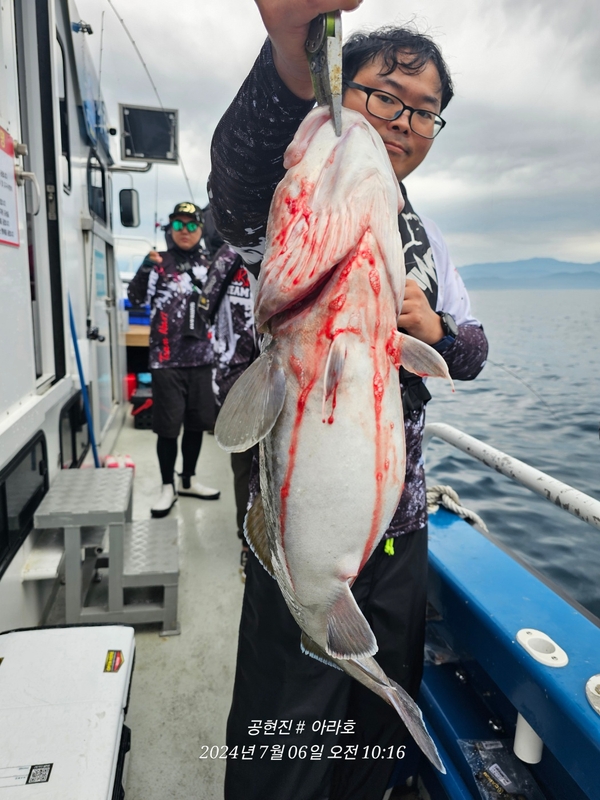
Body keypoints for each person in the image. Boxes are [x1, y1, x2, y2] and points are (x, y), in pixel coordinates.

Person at [208, 4, 489, 798]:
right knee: (284, 743)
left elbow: (469, 348)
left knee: (372, 752)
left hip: (398, 536)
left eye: (424, 109)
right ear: (341, 91)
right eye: (382, 94)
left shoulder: (427, 240)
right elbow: (237, 179)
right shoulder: (297, 197)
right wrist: (289, 57)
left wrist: (437, 330)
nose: (401, 120)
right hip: (298, 542)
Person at [128, 202, 220, 518]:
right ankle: (167, 486)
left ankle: (188, 480)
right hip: (166, 362)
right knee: (168, 429)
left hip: (203, 360)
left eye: (191, 225)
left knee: (196, 425)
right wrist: (143, 268)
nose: (185, 232)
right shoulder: (157, 263)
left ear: (200, 230)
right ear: (170, 229)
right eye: (178, 226)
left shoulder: (211, 264)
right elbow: (136, 299)